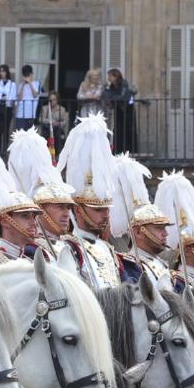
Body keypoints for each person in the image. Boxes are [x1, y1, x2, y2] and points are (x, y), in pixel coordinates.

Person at [61, 113, 122, 287]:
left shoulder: (109, 249)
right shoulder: (67, 248)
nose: (106, 215)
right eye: (97, 209)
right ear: (78, 210)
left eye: (107, 209)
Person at [102, 68, 136, 154]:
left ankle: (130, 151)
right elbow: (105, 96)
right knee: (118, 130)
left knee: (129, 130)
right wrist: (108, 91)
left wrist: (112, 98)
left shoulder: (123, 84)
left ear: (115, 76)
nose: (108, 78)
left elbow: (122, 96)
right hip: (119, 110)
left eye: (110, 76)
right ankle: (118, 151)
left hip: (127, 110)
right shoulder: (111, 86)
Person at [14, 64, 41, 132]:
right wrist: (23, 85)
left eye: (28, 75)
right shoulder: (21, 85)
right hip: (20, 114)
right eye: (25, 75)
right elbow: (19, 98)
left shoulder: (37, 83)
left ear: (32, 74)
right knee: (20, 135)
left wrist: (30, 83)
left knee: (30, 136)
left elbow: (35, 95)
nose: (27, 77)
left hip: (31, 114)